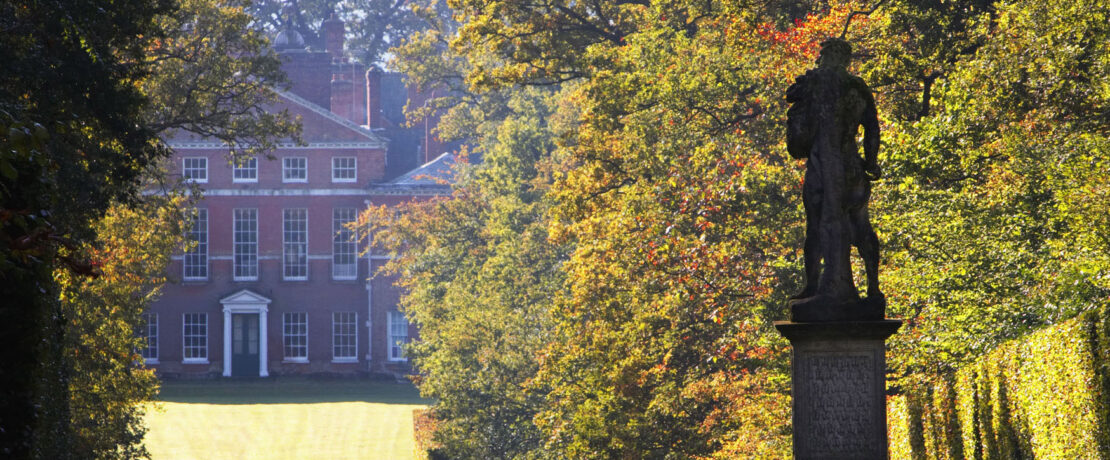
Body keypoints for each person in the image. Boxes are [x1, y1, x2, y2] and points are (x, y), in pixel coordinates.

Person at [785, 38, 884, 318]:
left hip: (820, 167)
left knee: (815, 225)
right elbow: (873, 130)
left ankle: (814, 286)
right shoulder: (856, 87)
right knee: (860, 225)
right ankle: (872, 288)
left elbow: (797, 137)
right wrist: (872, 163)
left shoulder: (813, 83)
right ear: (846, 59)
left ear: (823, 57)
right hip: (851, 167)